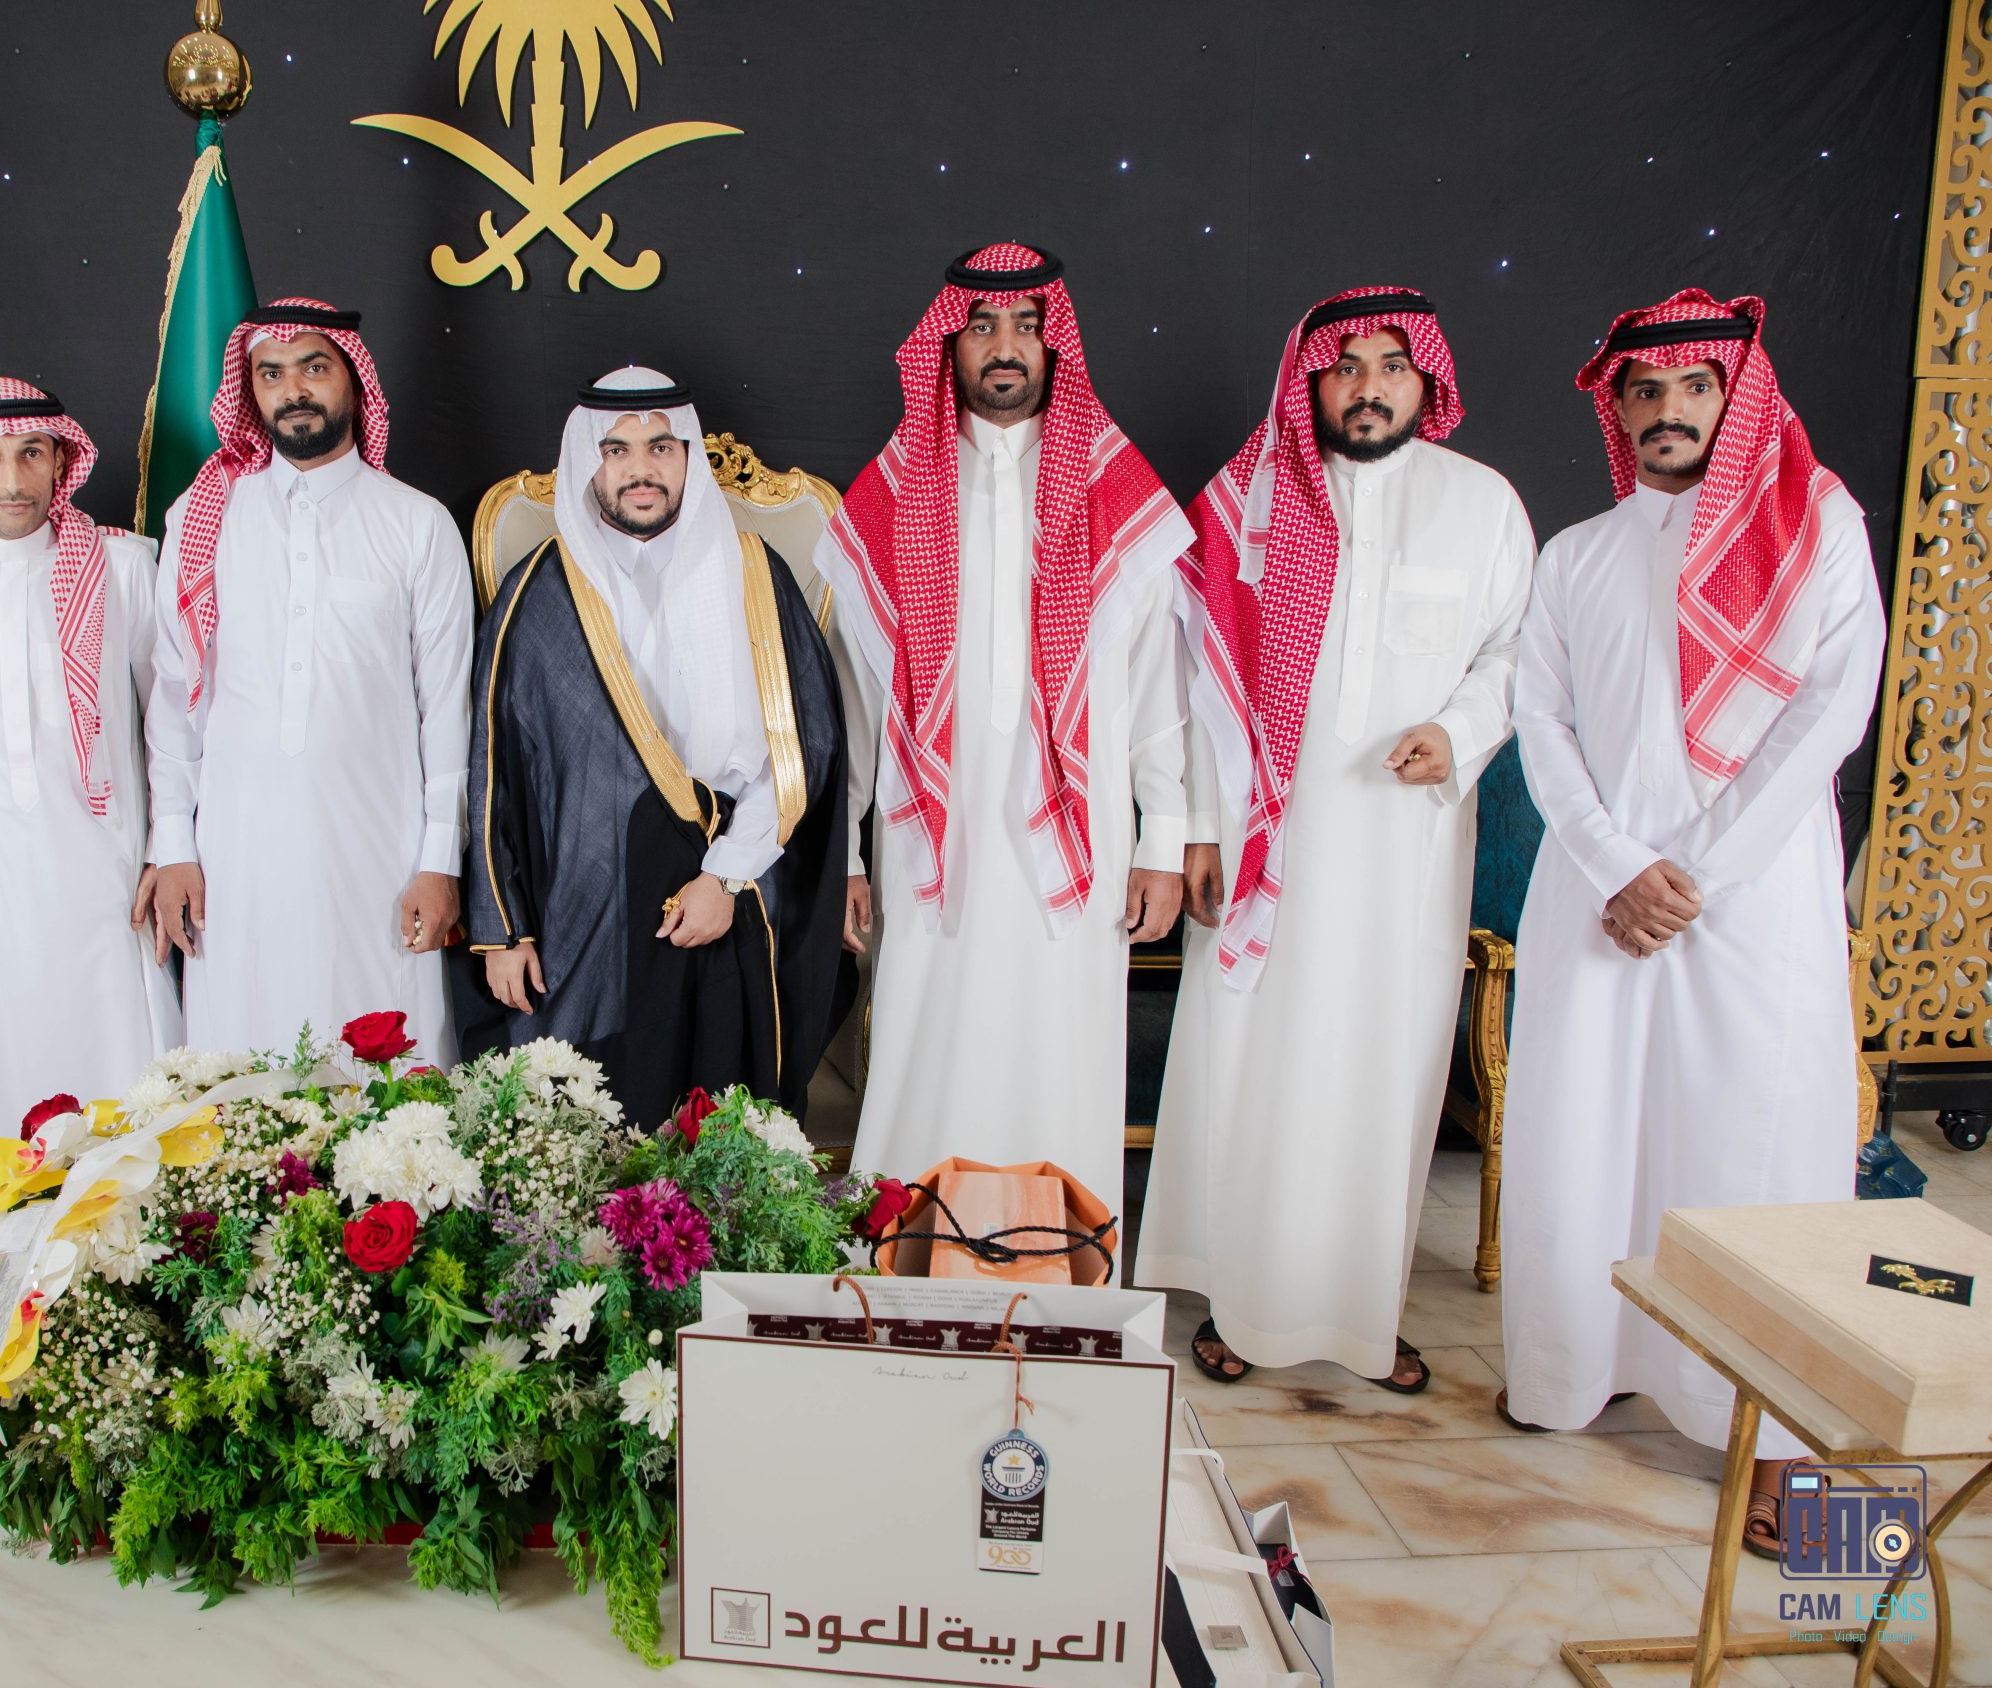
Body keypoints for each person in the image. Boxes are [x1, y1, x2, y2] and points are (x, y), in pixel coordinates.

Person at [1498, 291, 1885, 1558]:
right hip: (1597, 893)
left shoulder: (1819, 526)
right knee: (1584, 1135)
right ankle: (1579, 1368)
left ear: (1736, 396)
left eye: (1694, 387)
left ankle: (1768, 1441)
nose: (1668, 410)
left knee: (1749, 1153)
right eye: (1644, 391)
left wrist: (1694, 874)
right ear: (1615, 409)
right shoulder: (1576, 553)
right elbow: (1541, 726)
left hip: (1750, 898)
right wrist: (1621, 865)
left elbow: (1828, 714)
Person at [1133, 288, 1535, 1393]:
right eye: (1344, 365)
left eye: (1390, 364)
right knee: (1252, 1066)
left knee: (1381, 1068)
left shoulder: (1482, 504)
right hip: (1263, 845)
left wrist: (1458, 732)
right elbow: (1191, 677)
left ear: (1426, 379)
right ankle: (1239, 1303)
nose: (1366, 387)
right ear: (1308, 381)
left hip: (1404, 849)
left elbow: (1513, 655)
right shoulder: (1244, 500)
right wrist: (1198, 827)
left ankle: (1360, 1315)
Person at [819, 243, 1192, 1204]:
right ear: (948, 345)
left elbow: (1159, 686)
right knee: (924, 1032)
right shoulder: (891, 493)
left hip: (1081, 832)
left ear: (1054, 343)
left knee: (1060, 1044)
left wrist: (1164, 838)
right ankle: (910, 1245)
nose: (1005, 347)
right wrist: (844, 855)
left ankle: (1062, 1247)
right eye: (982, 326)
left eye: (1027, 325)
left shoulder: (1115, 489)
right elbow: (854, 698)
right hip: (925, 833)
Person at [464, 368, 848, 1123]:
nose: (640, 469)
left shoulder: (753, 573)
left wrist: (725, 878)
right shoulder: (537, 592)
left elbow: (804, 744)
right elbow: (490, 770)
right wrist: (502, 929)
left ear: (688, 456)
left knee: (723, 1132)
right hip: (585, 902)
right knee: (588, 1128)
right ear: (589, 461)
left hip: (735, 885)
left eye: (661, 447)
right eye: (617, 449)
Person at [140, 299, 474, 1058]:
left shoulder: (416, 522)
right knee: (240, 1063)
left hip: (380, 854)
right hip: (234, 856)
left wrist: (438, 861)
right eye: (271, 373)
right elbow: (173, 696)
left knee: (383, 1069)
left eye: (314, 368)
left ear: (353, 380)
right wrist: (174, 844)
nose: (293, 389)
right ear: (250, 390)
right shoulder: (203, 516)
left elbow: (447, 709)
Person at [0, 378, 179, 1215]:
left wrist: (166, 846)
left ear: (61, 460)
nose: (12, 476)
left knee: (116, 1084)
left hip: (103, 883)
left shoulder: (123, 566)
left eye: (30, 452)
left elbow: (169, 717)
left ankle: (129, 1264)